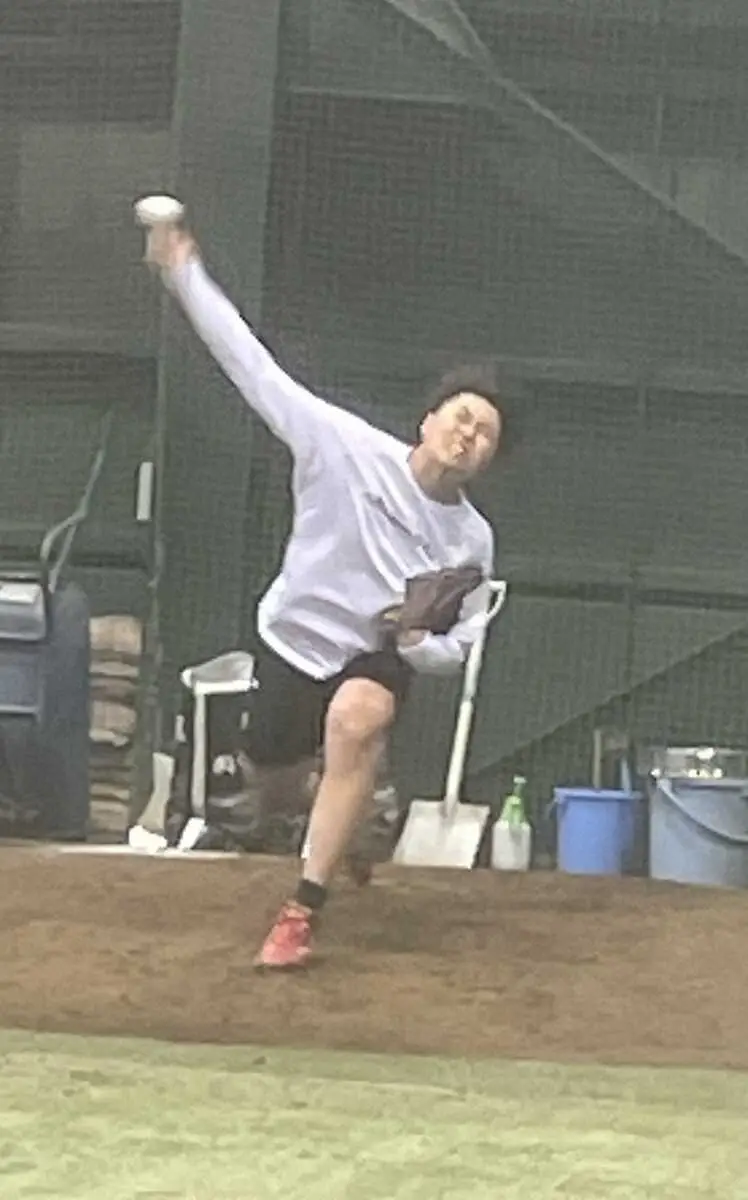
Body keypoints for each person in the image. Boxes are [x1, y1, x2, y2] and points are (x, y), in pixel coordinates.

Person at [144, 222, 506, 969]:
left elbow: (461, 647)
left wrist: (416, 642)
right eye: (461, 418)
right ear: (428, 420)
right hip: (291, 643)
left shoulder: (473, 541)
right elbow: (250, 365)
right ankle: (349, 811)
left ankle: (300, 912)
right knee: (273, 785)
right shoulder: (339, 445)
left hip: (372, 660)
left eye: (485, 436)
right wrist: (183, 272)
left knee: (358, 718)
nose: (468, 435)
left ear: (486, 462)